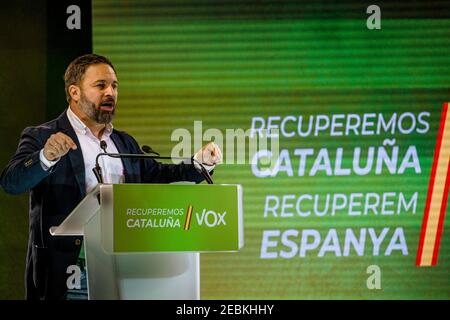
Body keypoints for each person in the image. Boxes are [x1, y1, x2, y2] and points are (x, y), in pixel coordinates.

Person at [0, 54, 222, 300]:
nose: (111, 93)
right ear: (74, 92)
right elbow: (12, 181)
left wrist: (198, 163)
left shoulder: (123, 141)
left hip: (126, 267)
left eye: (114, 86)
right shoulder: (43, 136)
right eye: (101, 85)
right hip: (69, 273)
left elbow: (158, 176)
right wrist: (45, 157)